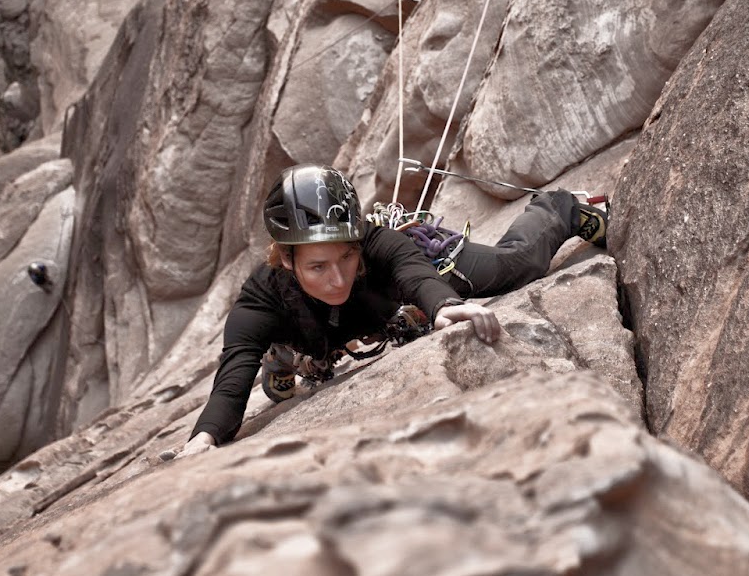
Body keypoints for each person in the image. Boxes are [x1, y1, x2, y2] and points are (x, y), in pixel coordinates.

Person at [174, 164, 607, 458]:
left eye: (345, 257)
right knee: (294, 342)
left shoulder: (377, 243)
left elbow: (413, 273)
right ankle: (282, 357)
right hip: (305, 330)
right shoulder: (261, 298)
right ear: (286, 259)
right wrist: (205, 437)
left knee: (512, 267)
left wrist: (443, 307)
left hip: (395, 297)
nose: (338, 279)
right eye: (318, 267)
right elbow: (231, 384)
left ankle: (558, 207)